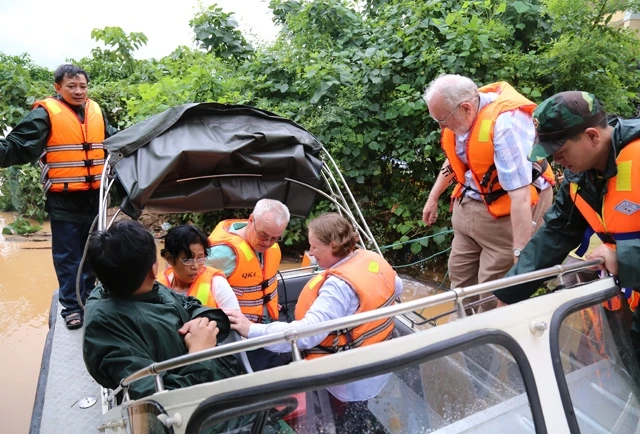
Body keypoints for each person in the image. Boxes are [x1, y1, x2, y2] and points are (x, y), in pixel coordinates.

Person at [493, 92, 640, 359]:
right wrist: (509, 293)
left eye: (560, 153)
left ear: (592, 136)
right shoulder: (579, 177)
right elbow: (555, 233)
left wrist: (624, 256)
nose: (556, 162)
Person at [225, 212, 402, 433]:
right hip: (378, 364)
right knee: (357, 413)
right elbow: (396, 287)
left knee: (346, 421)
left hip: (348, 379)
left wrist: (250, 329)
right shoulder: (371, 259)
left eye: (315, 247)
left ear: (334, 245)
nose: (311, 253)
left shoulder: (338, 287)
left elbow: (305, 335)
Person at [421, 74, 555, 312]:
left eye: (442, 120)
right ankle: (460, 328)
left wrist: (520, 253)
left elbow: (521, 196)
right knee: (459, 280)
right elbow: (456, 161)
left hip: (505, 218)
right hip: (468, 210)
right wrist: (433, 198)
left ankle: (487, 342)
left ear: (465, 108)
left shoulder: (506, 124)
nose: (441, 127)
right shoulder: (461, 115)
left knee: (491, 293)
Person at [0, 64, 117, 329]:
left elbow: (115, 144)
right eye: (72, 86)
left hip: (96, 197)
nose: (79, 91)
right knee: (68, 256)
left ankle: (89, 299)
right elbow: (17, 147)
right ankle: (72, 307)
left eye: (83, 86)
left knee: (95, 252)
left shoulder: (96, 110)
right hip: (64, 199)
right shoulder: (45, 114)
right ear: (58, 88)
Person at [83, 220, 241, 400]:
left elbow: (190, 305)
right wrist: (199, 353)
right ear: (154, 268)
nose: (196, 265)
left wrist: (202, 320)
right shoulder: (105, 328)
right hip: (203, 411)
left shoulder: (148, 288)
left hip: (222, 379)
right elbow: (161, 400)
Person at [207, 198, 290, 370]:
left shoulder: (269, 248)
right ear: (251, 220)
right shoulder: (223, 253)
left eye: (275, 238)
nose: (267, 243)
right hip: (238, 338)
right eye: (263, 236)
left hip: (264, 330)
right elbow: (189, 281)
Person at [158, 224, 240, 310]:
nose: (196, 266)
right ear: (169, 258)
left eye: (200, 258)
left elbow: (236, 320)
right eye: (187, 260)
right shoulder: (157, 286)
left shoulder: (216, 283)